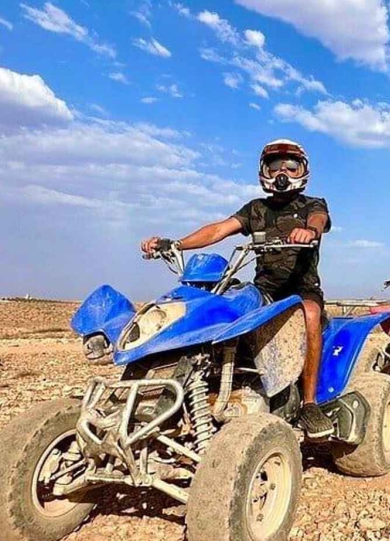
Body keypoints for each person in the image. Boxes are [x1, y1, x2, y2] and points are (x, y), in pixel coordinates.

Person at [139, 139, 335, 439]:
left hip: (301, 290)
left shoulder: (312, 205)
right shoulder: (255, 209)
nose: (282, 171)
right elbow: (218, 229)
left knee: (309, 314)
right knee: (223, 308)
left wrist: (309, 231)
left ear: (302, 170)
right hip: (264, 289)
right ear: (264, 171)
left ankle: (309, 403)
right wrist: (175, 243)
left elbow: (319, 221)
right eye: (274, 166)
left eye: (290, 166)